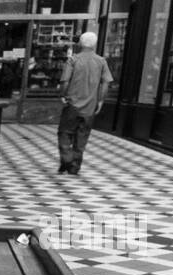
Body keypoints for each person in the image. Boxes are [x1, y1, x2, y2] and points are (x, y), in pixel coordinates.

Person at [57, 31, 113, 176]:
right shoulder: (101, 61)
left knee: (65, 132)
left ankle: (67, 158)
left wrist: (63, 95)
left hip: (72, 104)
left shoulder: (73, 60)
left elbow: (65, 81)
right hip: (90, 107)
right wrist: (100, 100)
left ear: (80, 44)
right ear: (94, 44)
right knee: (82, 136)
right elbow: (106, 83)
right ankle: (74, 166)